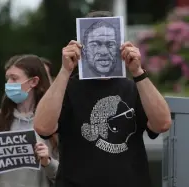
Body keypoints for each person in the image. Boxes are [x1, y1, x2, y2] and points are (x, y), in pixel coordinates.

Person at [33, 11, 171, 187]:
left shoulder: (134, 87)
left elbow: (163, 124)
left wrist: (138, 72)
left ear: (120, 47)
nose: (104, 51)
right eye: (96, 44)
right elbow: (42, 127)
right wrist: (65, 71)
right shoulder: (67, 89)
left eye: (110, 44)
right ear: (83, 48)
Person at [0, 54, 59, 187]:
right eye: (7, 78)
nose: (8, 84)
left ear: (33, 82)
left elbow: (64, 176)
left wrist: (47, 162)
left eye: (14, 78)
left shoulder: (53, 120)